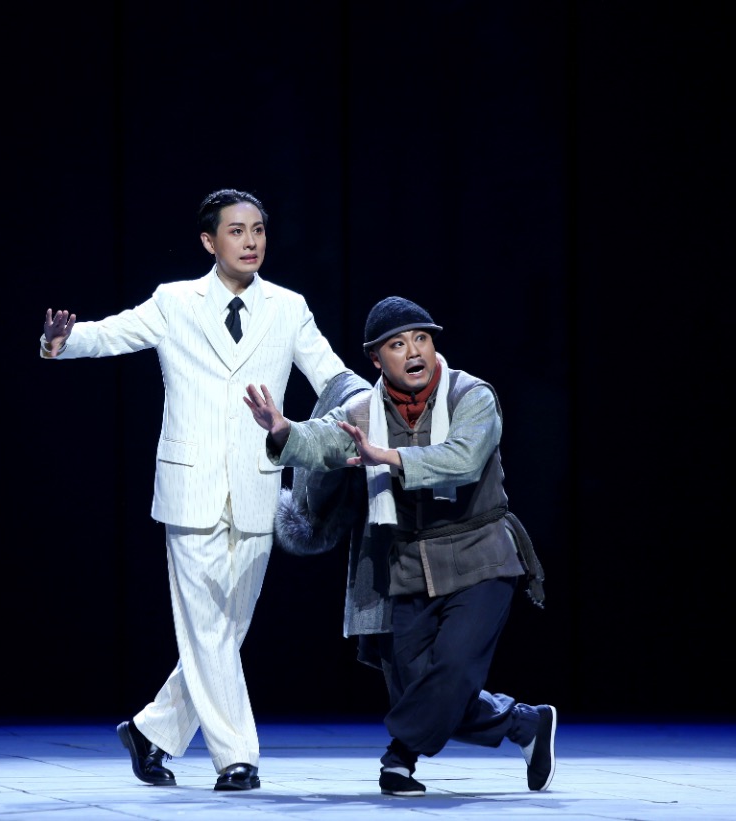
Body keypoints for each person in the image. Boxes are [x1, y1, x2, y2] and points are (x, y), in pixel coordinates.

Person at [40, 188, 353, 791]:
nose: (251, 241)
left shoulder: (288, 307)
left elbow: (330, 373)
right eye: (237, 231)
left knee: (225, 631)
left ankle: (151, 731)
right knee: (208, 626)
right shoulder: (175, 301)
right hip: (191, 485)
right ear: (210, 241)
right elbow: (111, 334)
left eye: (258, 230)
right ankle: (237, 757)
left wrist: (369, 403)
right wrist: (60, 342)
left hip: (258, 485)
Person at [243, 295, 557, 797]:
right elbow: (325, 439)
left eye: (421, 339)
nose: (414, 351)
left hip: (480, 554)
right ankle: (525, 724)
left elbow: (463, 459)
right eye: (398, 344)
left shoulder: (471, 395)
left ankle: (398, 756)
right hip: (409, 563)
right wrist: (284, 432)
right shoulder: (364, 411)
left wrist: (386, 457)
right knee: (417, 688)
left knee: (452, 671)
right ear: (376, 358)